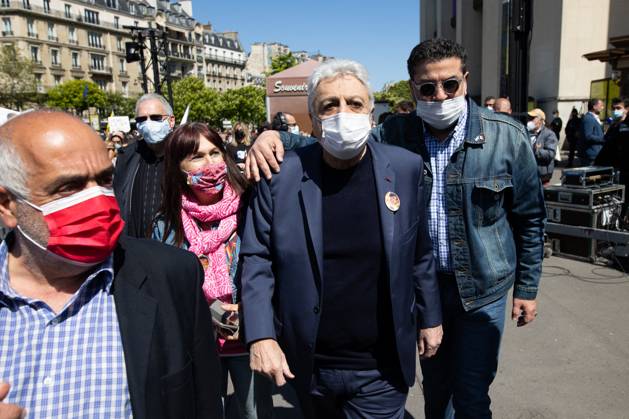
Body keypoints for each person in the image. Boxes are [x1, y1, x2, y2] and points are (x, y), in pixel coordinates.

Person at [245, 39, 546, 419]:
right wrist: (271, 137)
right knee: (436, 390)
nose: (440, 95)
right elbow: (331, 142)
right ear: (412, 89)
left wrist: (528, 288)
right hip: (423, 289)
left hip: (481, 288)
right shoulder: (398, 134)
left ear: (465, 82)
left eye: (450, 85)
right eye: (427, 87)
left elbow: (530, 217)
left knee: (471, 392)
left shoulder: (507, 136)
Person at [239, 59, 443, 419]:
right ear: (314, 122)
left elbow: (419, 252)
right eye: (329, 105)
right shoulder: (280, 177)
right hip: (308, 362)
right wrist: (260, 335)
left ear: (370, 113)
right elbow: (257, 259)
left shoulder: (406, 168)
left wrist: (430, 318)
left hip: (380, 366)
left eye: (354, 103)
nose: (342, 113)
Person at [0, 110, 222, 418]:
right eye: (70, 187)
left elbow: (204, 401)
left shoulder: (172, 274)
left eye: (105, 180)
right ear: (7, 204)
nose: (99, 200)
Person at [152, 122, 273, 419]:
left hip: (249, 338)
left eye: (215, 152)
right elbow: (164, 290)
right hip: (198, 344)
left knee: (255, 414)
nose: (210, 164)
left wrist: (253, 310)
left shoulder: (252, 207)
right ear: (177, 166)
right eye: (196, 156)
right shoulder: (166, 224)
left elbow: (275, 267)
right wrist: (206, 313)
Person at [113, 93, 176, 238]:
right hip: (137, 244)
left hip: (177, 245)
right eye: (141, 119)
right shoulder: (127, 156)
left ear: (171, 121)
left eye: (155, 117)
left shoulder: (185, 153)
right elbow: (118, 200)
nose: (148, 123)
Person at [527, 108, 558, 185]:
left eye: (532, 118)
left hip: (542, 176)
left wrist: (536, 150)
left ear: (541, 120)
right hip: (528, 174)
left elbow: (550, 154)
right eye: (529, 118)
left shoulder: (549, 134)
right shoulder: (526, 132)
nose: (529, 120)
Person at [580, 98, 605, 165]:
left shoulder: (594, 118)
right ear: (594, 106)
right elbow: (588, 136)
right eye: (601, 105)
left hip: (596, 154)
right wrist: (603, 138)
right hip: (591, 155)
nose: (602, 108)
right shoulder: (588, 118)